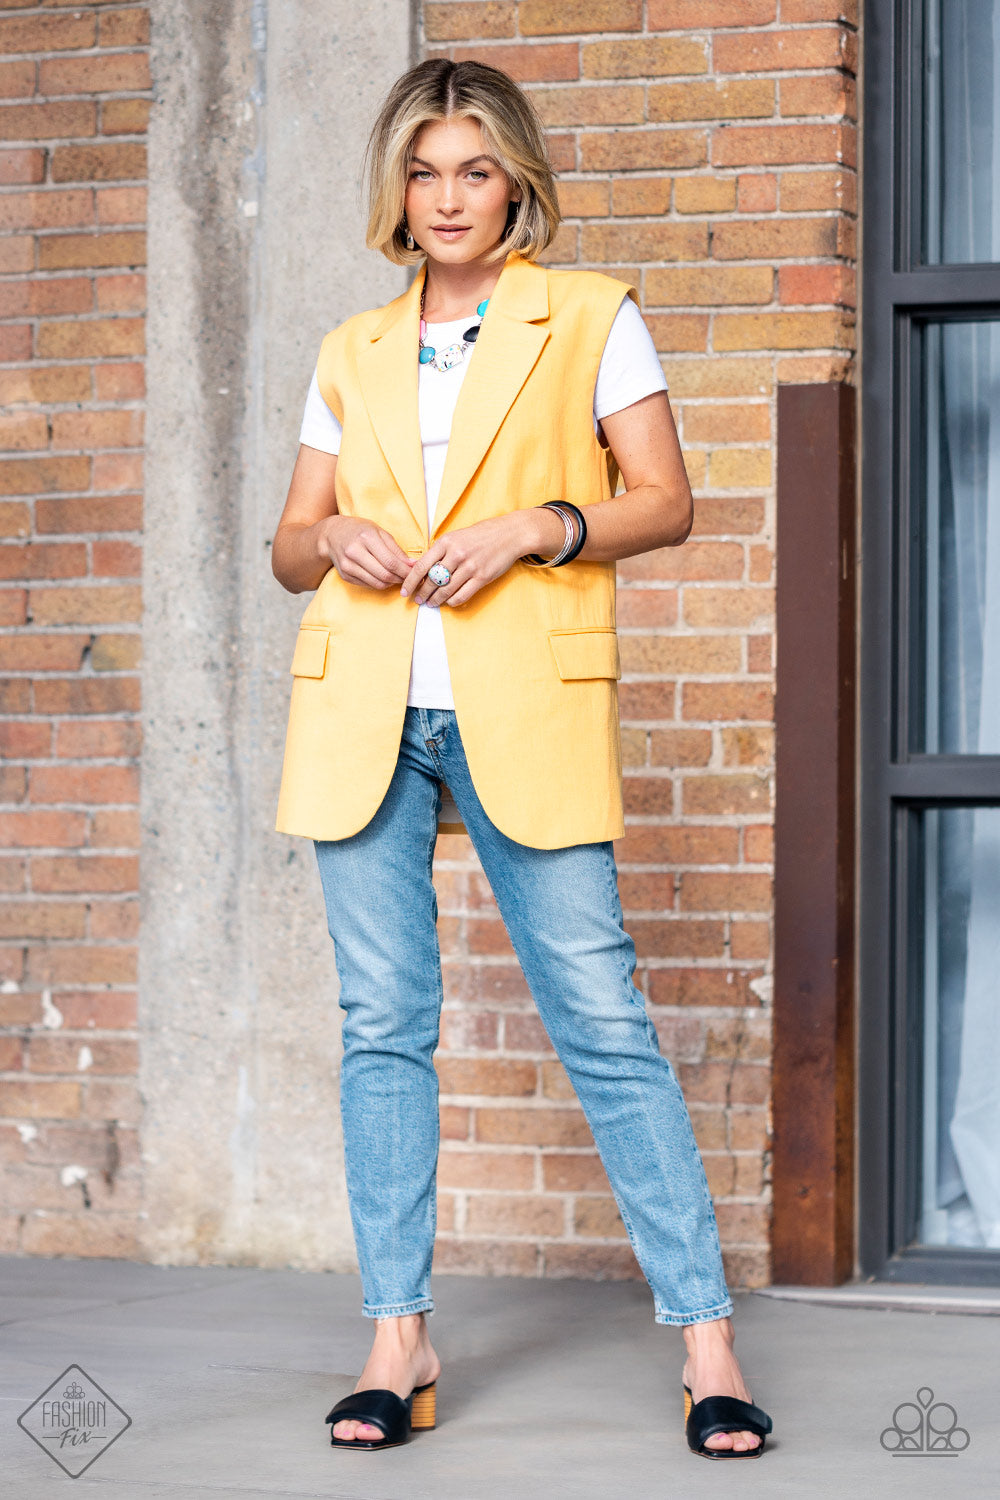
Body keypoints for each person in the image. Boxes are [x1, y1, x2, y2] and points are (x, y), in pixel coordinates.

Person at [271, 58, 773, 1461]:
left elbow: (666, 501)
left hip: (524, 701)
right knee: (383, 1026)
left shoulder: (591, 316)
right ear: (398, 188)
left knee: (603, 1021)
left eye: (475, 170)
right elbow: (289, 545)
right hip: (365, 707)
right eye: (424, 171)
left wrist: (539, 527)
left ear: (517, 184)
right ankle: (397, 1340)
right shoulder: (351, 349)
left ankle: (709, 1345)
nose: (448, 198)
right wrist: (335, 538)